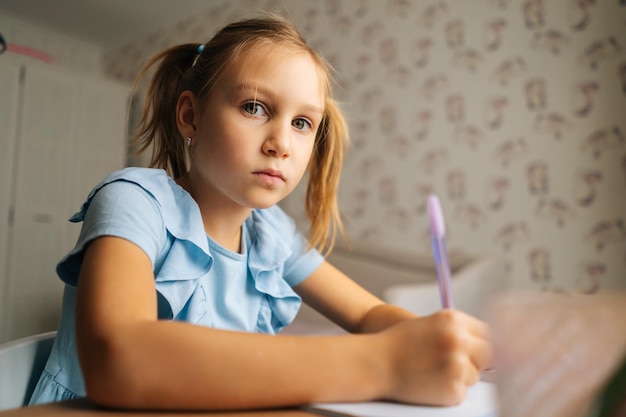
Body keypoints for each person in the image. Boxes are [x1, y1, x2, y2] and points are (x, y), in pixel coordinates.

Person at [29, 13, 492, 410]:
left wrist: (449, 343)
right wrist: (388, 364)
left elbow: (370, 314)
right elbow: (117, 357)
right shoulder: (135, 201)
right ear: (190, 116)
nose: (281, 144)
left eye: (302, 123)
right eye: (254, 107)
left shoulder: (271, 234)